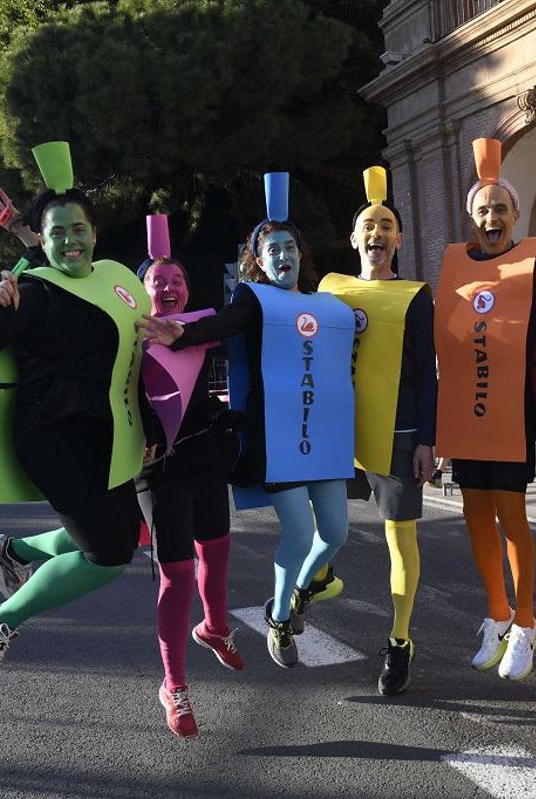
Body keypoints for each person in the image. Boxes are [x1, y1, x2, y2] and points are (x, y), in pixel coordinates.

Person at [139, 173, 355, 669]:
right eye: (271, 249)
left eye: (289, 246)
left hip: (324, 437)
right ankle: (279, 618)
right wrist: (180, 334)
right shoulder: (253, 300)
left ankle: (299, 593)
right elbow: (222, 325)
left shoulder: (329, 306)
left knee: (335, 534)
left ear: (301, 254)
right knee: (300, 535)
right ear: (258, 261)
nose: (283, 255)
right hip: (276, 438)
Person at [0, 141, 148, 695]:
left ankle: (13, 551)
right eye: (57, 231)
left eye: (77, 228)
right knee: (108, 555)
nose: (69, 240)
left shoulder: (114, 281)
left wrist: (150, 429)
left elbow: (136, 362)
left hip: (110, 435)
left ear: (95, 233)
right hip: (53, 437)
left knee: (127, 533)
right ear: (43, 239)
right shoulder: (34, 293)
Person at [434, 139, 536, 681]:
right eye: (483, 210)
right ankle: (496, 613)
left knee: (511, 515)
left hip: (512, 410)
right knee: (473, 512)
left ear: (516, 215)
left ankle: (526, 621)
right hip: (466, 410)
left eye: (500, 209)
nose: (492, 218)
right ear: (472, 217)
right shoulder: (455, 264)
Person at [315, 166, 437, 695]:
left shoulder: (415, 294)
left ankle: (399, 641)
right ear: (353, 238)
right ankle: (311, 585)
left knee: (399, 538)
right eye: (369, 223)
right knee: (321, 528)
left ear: (400, 239)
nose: (378, 232)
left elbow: (423, 372)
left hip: (398, 432)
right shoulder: (330, 291)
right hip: (339, 432)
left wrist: (428, 440)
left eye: (387, 224)